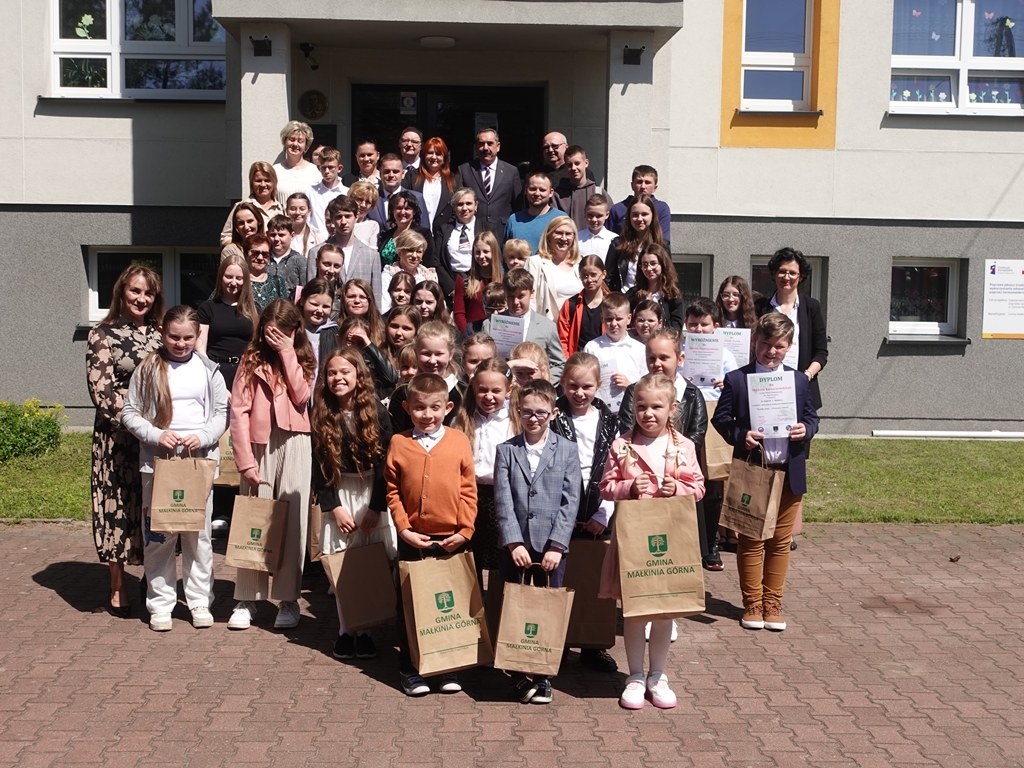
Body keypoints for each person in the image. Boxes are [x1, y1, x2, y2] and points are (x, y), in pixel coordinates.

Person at [599, 373, 705, 710]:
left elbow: (699, 487)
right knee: (635, 612)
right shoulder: (622, 445)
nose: (648, 413)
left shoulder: (683, 446)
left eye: (657, 407)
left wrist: (680, 488)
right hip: (634, 541)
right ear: (633, 408)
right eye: (641, 407)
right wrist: (628, 487)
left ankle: (657, 675)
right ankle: (634, 675)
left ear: (672, 409)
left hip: (670, 539)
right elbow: (605, 486)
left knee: (664, 611)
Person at [121, 305, 228, 632]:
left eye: (187, 338)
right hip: (158, 464)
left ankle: (199, 600)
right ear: (162, 333)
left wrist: (202, 436)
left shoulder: (209, 370)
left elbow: (221, 414)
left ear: (197, 336)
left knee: (199, 537)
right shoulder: (148, 368)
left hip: (197, 463)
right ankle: (161, 603)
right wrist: (156, 435)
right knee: (159, 535)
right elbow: (130, 412)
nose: (180, 344)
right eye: (173, 337)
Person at [712, 314, 819, 631]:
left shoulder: (798, 380)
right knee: (751, 540)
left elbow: (812, 417)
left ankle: (773, 603)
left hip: (788, 470)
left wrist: (806, 429)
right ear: (755, 342)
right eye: (765, 344)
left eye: (779, 346)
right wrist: (739, 435)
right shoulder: (737, 379)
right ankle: (753, 604)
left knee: (780, 542)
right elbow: (721, 419)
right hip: (754, 470)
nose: (771, 351)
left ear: (789, 346)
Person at [385, 372, 477, 696]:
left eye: (435, 407)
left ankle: (448, 667)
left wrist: (465, 530)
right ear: (407, 408)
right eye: (420, 408)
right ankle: (410, 668)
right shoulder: (399, 443)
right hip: (413, 539)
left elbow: (468, 490)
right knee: (410, 605)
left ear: (448, 407)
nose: (427, 414)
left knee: (449, 605)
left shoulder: (459, 441)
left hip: (451, 538)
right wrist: (403, 529)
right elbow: (393, 491)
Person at [227, 299, 315, 632]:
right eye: (270, 333)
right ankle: (246, 598)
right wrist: (245, 460)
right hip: (259, 443)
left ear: (294, 332)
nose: (274, 339)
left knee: (293, 519)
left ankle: (288, 599)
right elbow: (238, 411)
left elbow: (302, 396)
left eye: (282, 333)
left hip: (296, 441)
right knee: (255, 517)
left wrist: (288, 352)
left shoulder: (304, 356)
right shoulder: (251, 359)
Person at [494, 378, 580, 705]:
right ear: (517, 412)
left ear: (553, 414)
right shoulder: (507, 450)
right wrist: (513, 542)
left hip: (551, 549)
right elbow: (503, 500)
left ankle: (543, 675)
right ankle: (516, 672)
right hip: (515, 547)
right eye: (527, 412)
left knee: (548, 609)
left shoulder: (567, 450)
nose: (533, 418)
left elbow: (570, 501)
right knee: (514, 606)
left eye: (541, 413)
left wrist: (557, 545)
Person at [86, 264, 165, 617]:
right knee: (118, 506)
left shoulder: (162, 333)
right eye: (135, 291)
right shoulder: (103, 334)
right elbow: (102, 392)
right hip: (118, 438)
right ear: (122, 291)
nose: (142, 298)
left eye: (148, 293)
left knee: (153, 508)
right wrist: (139, 425)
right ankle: (117, 584)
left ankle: (153, 576)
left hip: (157, 439)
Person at [311, 347, 395, 661]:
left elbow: (387, 464)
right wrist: (334, 507)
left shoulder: (376, 411)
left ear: (358, 375)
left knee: (369, 563)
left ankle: (366, 631)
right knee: (342, 564)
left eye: (345, 371)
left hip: (370, 491)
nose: (338, 378)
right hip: (340, 492)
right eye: (332, 372)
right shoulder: (321, 411)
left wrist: (376, 507)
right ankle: (346, 630)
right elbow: (319, 466)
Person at [550, 353, 619, 674]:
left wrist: (605, 512)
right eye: (573, 386)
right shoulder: (553, 416)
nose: (579, 393)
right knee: (562, 577)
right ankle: (560, 642)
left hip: (597, 508)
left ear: (598, 385)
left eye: (587, 387)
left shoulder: (610, 421)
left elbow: (617, 469)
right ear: (563, 383)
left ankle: (594, 644)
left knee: (596, 580)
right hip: (560, 508)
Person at [455, 357, 513, 606]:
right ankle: (473, 612)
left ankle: (499, 612)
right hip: (468, 496)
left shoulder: (514, 421)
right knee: (471, 556)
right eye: (483, 390)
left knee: (501, 558)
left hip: (503, 496)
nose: (489, 396)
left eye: (496, 390)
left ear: (509, 390)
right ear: (473, 388)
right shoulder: (462, 419)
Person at [754, 247, 828, 410]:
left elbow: (821, 353)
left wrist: (806, 376)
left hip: (801, 388)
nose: (787, 277)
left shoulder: (812, 307)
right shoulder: (760, 306)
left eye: (793, 273)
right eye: (782, 271)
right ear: (774, 274)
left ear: (801, 277)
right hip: (765, 388)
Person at [482, 269, 566, 379]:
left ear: (532, 293)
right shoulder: (490, 324)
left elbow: (559, 364)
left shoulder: (547, 327)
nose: (515, 302)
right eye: (510, 296)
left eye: (521, 296)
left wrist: (544, 381)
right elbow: (483, 361)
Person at [388, 321, 466, 433]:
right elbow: (398, 435)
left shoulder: (463, 393)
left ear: (450, 354)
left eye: (439, 354)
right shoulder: (403, 393)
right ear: (416, 352)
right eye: (426, 354)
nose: (432, 360)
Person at [196, 253, 257, 392]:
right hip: (215, 371)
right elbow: (200, 347)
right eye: (229, 277)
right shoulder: (207, 308)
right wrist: (214, 377)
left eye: (239, 278)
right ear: (220, 277)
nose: (233, 283)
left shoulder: (253, 309)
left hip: (246, 372)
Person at [307, 197, 383, 305]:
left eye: (348, 216)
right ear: (332, 219)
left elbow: (376, 298)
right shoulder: (315, 252)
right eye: (338, 217)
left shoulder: (372, 256)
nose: (343, 222)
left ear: (356, 217)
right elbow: (311, 293)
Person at [583, 292, 647, 414]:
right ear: (602, 318)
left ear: (629, 319)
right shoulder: (592, 348)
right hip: (599, 410)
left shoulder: (639, 349)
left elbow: (647, 382)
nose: (613, 324)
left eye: (619, 319)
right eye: (609, 319)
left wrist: (630, 386)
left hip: (631, 411)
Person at [434, 187, 502, 301]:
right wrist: (451, 289)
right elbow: (437, 261)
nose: (464, 208)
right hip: (452, 282)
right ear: (454, 207)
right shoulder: (444, 230)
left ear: (476, 206)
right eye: (460, 204)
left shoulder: (488, 228)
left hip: (481, 282)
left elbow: (496, 256)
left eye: (469, 203)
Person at [456, 129, 523, 231]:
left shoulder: (511, 171)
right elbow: (458, 203)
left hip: (502, 230)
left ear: (498, 146)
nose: (485, 148)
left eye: (490, 143)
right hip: (474, 230)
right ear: (476, 147)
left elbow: (518, 205)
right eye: (481, 144)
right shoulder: (464, 170)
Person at [604, 194, 664, 294]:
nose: (639, 219)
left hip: (653, 300)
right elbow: (608, 279)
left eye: (644, 214)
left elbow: (667, 278)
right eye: (635, 215)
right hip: (624, 300)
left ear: (652, 216)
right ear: (629, 217)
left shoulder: (662, 245)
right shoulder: (617, 244)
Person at [527, 216, 584, 320]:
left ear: (574, 238)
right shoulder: (535, 262)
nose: (564, 238)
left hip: (575, 325)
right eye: (558, 233)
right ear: (548, 236)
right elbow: (529, 300)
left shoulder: (580, 264)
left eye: (568, 234)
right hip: (547, 325)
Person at [220, 162, 285, 247]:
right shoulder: (241, 207)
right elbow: (225, 237)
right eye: (258, 181)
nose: (263, 184)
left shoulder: (281, 209)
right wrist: (243, 249)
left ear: (274, 182)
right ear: (251, 183)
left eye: (267, 180)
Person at [607, 165, 672, 250]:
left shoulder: (661, 208)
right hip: (624, 254)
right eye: (639, 182)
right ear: (632, 185)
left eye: (647, 182)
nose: (643, 186)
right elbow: (609, 240)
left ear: (655, 187)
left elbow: (663, 241)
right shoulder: (617, 209)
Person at [557, 254, 608, 358]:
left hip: (605, 361)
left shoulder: (612, 303)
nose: (589, 280)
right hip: (578, 361)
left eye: (593, 275)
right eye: (585, 275)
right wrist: (568, 362)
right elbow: (562, 338)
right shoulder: (571, 304)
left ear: (603, 274)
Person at [403, 136, 460, 227]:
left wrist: (447, 229)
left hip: (444, 232)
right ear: (424, 155)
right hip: (415, 231)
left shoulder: (454, 180)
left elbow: (458, 208)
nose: (434, 157)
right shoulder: (411, 177)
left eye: (438, 154)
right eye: (430, 153)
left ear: (444, 157)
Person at [552, 145, 612, 232]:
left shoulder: (599, 192)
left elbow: (611, 222)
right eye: (569, 165)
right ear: (565, 167)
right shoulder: (557, 195)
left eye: (577, 163)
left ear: (586, 163)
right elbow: (553, 224)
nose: (573, 168)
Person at [627, 244, 685, 331]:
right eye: (645, 265)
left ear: (662, 264)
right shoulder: (633, 294)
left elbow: (676, 328)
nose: (649, 268)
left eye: (653, 263)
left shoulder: (673, 296)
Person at [453, 231, 502, 333]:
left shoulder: (504, 279)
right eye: (477, 252)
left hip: (499, 333)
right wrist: (468, 333)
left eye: (486, 251)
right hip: (473, 334)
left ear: (494, 251)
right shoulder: (464, 279)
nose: (481, 256)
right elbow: (459, 313)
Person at [381, 230, 438, 312]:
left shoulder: (428, 276)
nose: (414, 255)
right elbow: (384, 307)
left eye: (419, 251)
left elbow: (439, 304)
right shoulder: (389, 275)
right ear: (399, 252)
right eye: (410, 250)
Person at [377, 191, 436, 270]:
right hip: (386, 276)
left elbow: (429, 263)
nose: (402, 212)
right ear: (393, 211)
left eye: (407, 208)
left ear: (414, 211)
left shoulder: (424, 234)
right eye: (399, 208)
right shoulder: (386, 235)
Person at [369, 154, 430, 230]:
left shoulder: (417, 198)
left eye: (395, 171)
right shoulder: (371, 200)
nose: (391, 175)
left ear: (403, 174)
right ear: (380, 174)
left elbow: (425, 230)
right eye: (387, 171)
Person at [504, 172, 559, 255]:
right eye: (533, 189)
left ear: (551, 192)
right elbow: (505, 253)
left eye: (542, 190)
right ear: (525, 190)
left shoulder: (560, 219)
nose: (537, 193)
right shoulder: (514, 220)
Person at [298, 278, 337, 391]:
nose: (320, 310)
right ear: (302, 301)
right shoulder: (294, 330)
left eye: (325, 307)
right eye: (314, 304)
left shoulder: (334, 333)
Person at [273, 120, 322, 204]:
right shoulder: (275, 171)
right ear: (285, 142)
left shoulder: (316, 171)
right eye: (292, 139)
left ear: (306, 146)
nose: (295, 144)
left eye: (300, 141)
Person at [306, 147, 349, 239]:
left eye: (331, 167)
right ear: (319, 168)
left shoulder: (347, 192)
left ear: (339, 168)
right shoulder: (310, 192)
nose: (327, 171)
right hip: (316, 241)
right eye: (323, 167)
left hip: (341, 241)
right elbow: (307, 219)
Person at [266, 215, 307, 302]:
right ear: (267, 235)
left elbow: (306, 289)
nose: (276, 239)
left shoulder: (300, 261)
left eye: (281, 235)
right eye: (272, 235)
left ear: (292, 236)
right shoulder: (263, 259)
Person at [340, 278, 387, 347]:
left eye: (362, 297)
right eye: (351, 296)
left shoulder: (384, 328)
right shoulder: (334, 328)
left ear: (370, 301)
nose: (357, 301)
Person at [245, 235, 284, 312]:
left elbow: (284, 311)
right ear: (245, 254)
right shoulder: (239, 281)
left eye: (265, 254)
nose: (260, 258)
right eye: (255, 253)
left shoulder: (278, 282)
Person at [383, 305, 422, 370]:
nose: (398, 333)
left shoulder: (421, 359)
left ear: (417, 331)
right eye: (394, 326)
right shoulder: (378, 354)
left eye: (406, 328)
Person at [578, 194, 616, 260]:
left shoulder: (614, 239)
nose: (594, 219)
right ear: (584, 213)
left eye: (599, 216)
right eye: (590, 215)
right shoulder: (577, 238)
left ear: (607, 215)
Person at [346, 181, 382, 249]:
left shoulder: (373, 226)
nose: (363, 205)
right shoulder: (342, 221)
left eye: (368, 202)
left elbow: (373, 252)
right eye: (359, 199)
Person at [285, 192, 322, 257]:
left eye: (302, 209)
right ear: (286, 211)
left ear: (309, 212)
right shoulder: (280, 237)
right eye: (293, 209)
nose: (297, 212)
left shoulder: (318, 238)